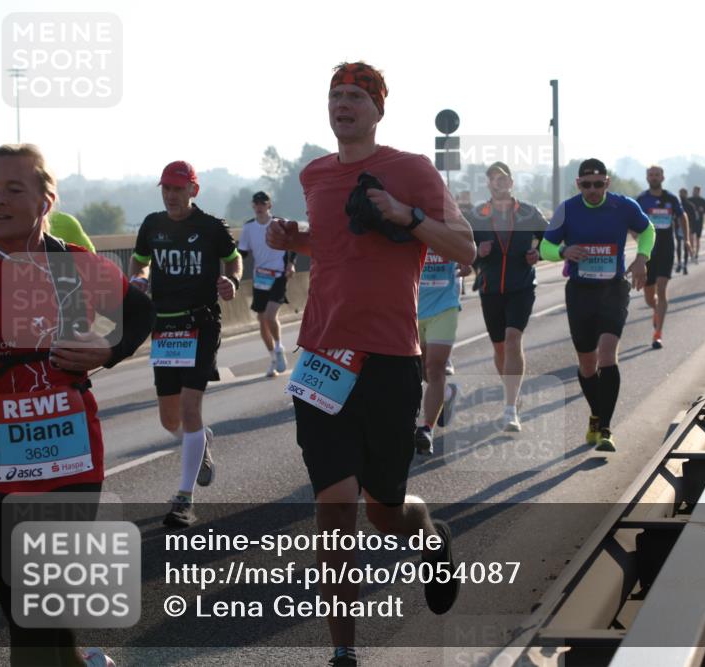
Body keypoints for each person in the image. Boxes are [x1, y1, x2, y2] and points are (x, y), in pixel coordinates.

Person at [265, 61, 475, 667]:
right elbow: (334, 245)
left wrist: (406, 216)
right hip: (322, 356)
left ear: (378, 109)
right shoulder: (314, 174)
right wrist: (292, 237)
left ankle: (430, 540)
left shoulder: (410, 170)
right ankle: (344, 652)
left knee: (385, 514)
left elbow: (463, 247)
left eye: (356, 95)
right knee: (334, 509)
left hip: (388, 360)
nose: (343, 104)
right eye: (335, 95)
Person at [0, 143, 154, 667]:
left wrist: (107, 347)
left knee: (36, 617)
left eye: (13, 189)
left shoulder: (75, 266)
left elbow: (138, 311)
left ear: (45, 200)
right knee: (29, 612)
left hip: (68, 460)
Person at [128, 160, 242, 528]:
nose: (171, 195)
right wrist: (139, 277)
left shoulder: (211, 227)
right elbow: (139, 261)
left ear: (194, 190)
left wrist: (232, 282)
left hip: (201, 323)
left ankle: (183, 498)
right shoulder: (152, 225)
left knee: (190, 409)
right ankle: (200, 440)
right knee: (169, 420)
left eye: (178, 188)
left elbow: (233, 259)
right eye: (166, 188)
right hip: (165, 326)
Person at [540, 158, 655, 452]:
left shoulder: (623, 205)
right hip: (580, 292)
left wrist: (642, 258)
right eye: (586, 185)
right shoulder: (567, 209)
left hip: (613, 289)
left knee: (607, 355)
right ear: (578, 184)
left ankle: (605, 428)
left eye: (599, 184)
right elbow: (545, 246)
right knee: (587, 364)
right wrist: (564, 250)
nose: (593, 190)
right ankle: (596, 414)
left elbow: (648, 229)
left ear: (607, 183)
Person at [468, 161, 549, 432]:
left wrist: (539, 253)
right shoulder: (477, 215)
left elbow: (549, 241)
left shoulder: (529, 213)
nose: (498, 182)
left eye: (503, 178)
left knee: (513, 340)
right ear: (488, 183)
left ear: (511, 182)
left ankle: (510, 407)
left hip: (522, 287)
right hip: (490, 289)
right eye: (493, 179)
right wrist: (479, 251)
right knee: (500, 347)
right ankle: (512, 392)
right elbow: (464, 248)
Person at [414, 248, 470, 455]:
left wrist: (467, 262)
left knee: (435, 368)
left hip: (445, 307)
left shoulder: (452, 224)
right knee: (419, 369)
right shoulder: (410, 223)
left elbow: (468, 251)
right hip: (413, 305)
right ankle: (447, 394)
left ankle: (427, 429)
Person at [238, 190, 295, 377]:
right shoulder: (248, 228)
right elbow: (243, 253)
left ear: (269, 205)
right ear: (253, 206)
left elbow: (292, 244)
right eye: (256, 203)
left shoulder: (279, 223)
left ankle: (279, 347)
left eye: (263, 203)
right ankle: (272, 358)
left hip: (278, 274)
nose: (260, 206)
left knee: (271, 315)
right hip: (260, 277)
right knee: (261, 321)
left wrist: (291, 264)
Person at [636, 166, 690, 350]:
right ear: (647, 178)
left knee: (662, 288)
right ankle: (655, 310)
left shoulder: (671, 198)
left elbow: (683, 217)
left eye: (657, 175)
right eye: (651, 175)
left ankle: (658, 334)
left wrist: (687, 239)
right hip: (647, 251)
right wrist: (636, 236)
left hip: (666, 248)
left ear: (663, 177)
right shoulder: (642, 199)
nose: (654, 177)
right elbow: (631, 221)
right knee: (650, 297)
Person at [688, 186, 705, 263]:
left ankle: (697, 253)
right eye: (694, 191)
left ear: (699, 192)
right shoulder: (689, 200)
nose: (695, 192)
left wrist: (702, 210)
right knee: (691, 237)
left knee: (698, 238)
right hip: (691, 221)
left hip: (699, 221)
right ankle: (692, 251)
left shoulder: (702, 200)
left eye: (697, 191)